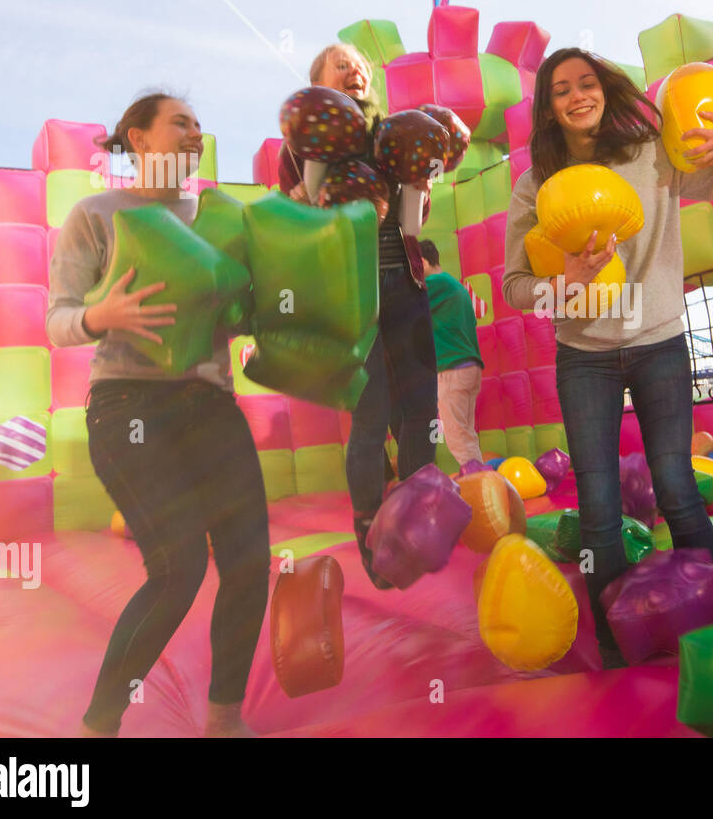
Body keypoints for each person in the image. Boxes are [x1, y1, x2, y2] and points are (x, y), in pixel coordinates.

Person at [503, 49, 713, 668]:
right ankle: (619, 642)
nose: (576, 96)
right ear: (549, 107)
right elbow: (513, 286)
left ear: (604, 90)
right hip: (583, 355)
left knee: (676, 484)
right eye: (561, 90)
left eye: (586, 83)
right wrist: (563, 282)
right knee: (598, 505)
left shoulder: (650, 152)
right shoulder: (535, 183)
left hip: (658, 343)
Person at [47, 93, 270, 736]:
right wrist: (101, 316)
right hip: (128, 406)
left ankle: (224, 718)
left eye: (201, 124)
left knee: (250, 562)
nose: (196, 132)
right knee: (179, 568)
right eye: (180, 122)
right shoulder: (97, 214)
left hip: (209, 404)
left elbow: (246, 311)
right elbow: (57, 319)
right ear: (139, 140)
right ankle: (99, 726)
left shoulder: (220, 220)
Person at [278, 43, 438, 589]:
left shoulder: (396, 134)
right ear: (319, 82)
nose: (355, 69)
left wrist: (421, 180)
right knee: (371, 417)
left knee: (420, 412)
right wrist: (308, 192)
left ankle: (420, 520)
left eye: (360, 63)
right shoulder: (303, 142)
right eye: (340, 63)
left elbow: (413, 222)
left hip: (404, 283)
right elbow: (294, 216)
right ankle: (371, 528)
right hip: (349, 289)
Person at [417, 238, 484, 467]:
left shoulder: (434, 284)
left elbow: (406, 310)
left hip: (452, 370)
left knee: (456, 438)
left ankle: (481, 487)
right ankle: (484, 483)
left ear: (423, 263)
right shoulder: (456, 286)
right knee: (466, 434)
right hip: (469, 367)